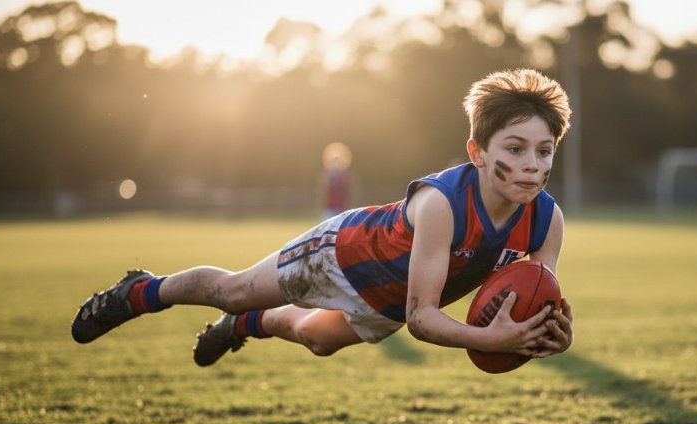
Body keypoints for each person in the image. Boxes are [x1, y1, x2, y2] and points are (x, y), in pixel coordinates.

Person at [72, 68, 575, 367]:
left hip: (391, 301)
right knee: (233, 288)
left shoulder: (545, 222)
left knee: (317, 340)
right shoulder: (442, 204)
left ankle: (244, 327)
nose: (533, 164)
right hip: (345, 254)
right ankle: (141, 291)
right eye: (515, 148)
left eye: (544, 150)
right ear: (478, 152)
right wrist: (490, 339)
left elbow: (539, 297)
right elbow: (423, 319)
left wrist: (552, 333)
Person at [318, 142, 355, 219]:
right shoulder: (327, 175)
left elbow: (348, 193)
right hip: (330, 209)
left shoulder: (345, 175)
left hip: (343, 208)